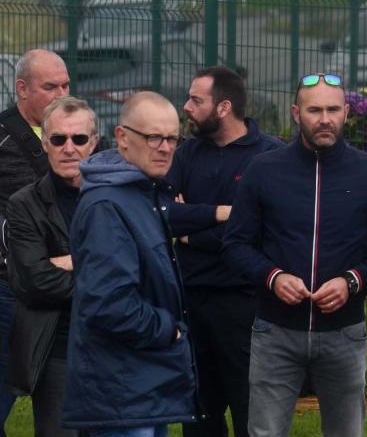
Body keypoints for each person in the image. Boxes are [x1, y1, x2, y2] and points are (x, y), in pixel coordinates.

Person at [222, 72, 367, 437]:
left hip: (344, 333)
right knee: (264, 432)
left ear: (347, 112)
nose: (325, 119)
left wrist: (352, 281)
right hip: (275, 331)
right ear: (296, 113)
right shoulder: (264, 169)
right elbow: (235, 245)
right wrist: (273, 278)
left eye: (333, 109)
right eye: (314, 110)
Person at [62, 91, 198, 435]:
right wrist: (170, 329)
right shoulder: (108, 206)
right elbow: (109, 304)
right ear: (122, 137)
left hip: (143, 387)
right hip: (121, 392)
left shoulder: (142, 193)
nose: (165, 147)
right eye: (153, 137)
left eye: (172, 138)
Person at [165, 66, 281, 437]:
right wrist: (220, 213)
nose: (186, 107)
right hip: (191, 301)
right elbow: (165, 215)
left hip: (245, 305)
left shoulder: (269, 158)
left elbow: (258, 232)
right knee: (198, 412)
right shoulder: (185, 155)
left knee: (252, 412)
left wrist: (191, 236)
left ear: (223, 107)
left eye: (196, 100)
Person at [5, 97, 98, 437]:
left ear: (95, 142)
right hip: (58, 347)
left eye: (79, 139)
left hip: (114, 343)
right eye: (58, 139)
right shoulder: (24, 204)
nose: (69, 148)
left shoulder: (117, 195)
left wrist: (72, 262)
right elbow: (34, 281)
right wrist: (104, 274)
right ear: (44, 143)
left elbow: (140, 267)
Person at [0, 49, 70, 435]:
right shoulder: (3, 139)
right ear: (22, 89)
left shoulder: (81, 137)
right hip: (11, 295)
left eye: (66, 84)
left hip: (69, 295)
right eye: (49, 87)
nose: (60, 94)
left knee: (66, 412)